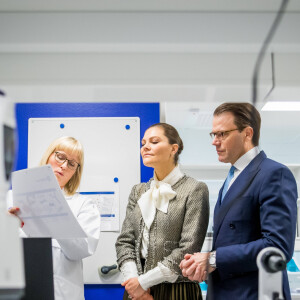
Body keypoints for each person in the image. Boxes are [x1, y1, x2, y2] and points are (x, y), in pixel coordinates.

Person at [180, 102, 298, 300]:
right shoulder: (232, 177)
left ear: (247, 133)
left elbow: (277, 247)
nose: (214, 142)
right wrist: (203, 266)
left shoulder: (274, 174)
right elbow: (232, 240)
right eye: (213, 134)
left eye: (222, 134)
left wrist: (213, 259)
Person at [115, 123, 209, 300]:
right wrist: (134, 284)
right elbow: (125, 241)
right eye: (143, 143)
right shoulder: (138, 191)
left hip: (177, 290)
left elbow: (188, 248)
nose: (146, 147)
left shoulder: (195, 189)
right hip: (135, 290)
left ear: (173, 149)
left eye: (154, 141)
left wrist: (144, 282)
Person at [8, 136, 101, 300]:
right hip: (18, 288)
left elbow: (81, 250)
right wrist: (5, 225)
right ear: (49, 155)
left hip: (62, 294)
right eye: (60, 156)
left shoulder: (84, 205)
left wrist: (54, 215)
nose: (64, 165)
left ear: (75, 172)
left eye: (72, 163)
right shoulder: (11, 198)